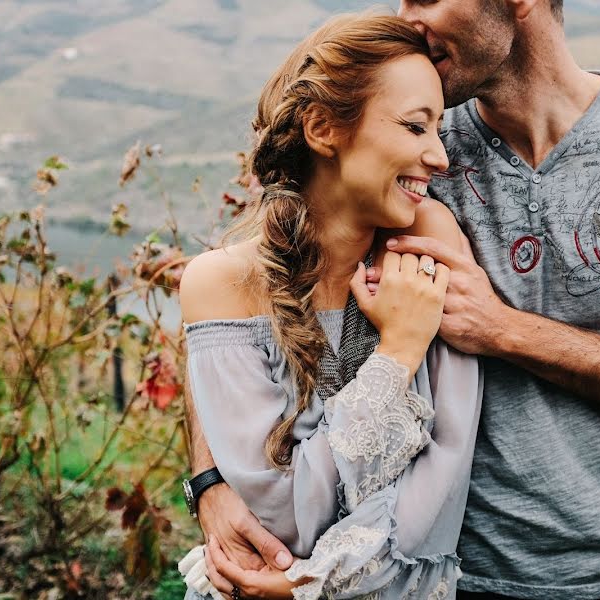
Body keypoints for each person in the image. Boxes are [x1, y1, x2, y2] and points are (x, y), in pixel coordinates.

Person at [189, 1, 600, 599]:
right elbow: (254, 301)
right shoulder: (403, 140)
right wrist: (210, 481)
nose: (408, 18)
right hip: (465, 576)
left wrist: (501, 329)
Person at [178, 14, 484, 600]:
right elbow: (280, 515)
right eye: (416, 127)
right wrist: (397, 353)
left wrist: (311, 584)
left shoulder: (425, 250)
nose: (440, 156)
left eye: (438, 130)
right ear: (323, 129)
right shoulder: (221, 284)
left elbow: (438, 491)